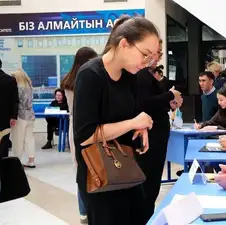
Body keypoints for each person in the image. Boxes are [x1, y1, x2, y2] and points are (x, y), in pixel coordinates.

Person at [73, 15, 159, 225]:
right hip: (101, 177)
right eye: (145, 54)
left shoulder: (130, 76)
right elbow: (85, 136)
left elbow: (130, 114)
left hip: (126, 170)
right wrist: (132, 123)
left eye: (152, 57)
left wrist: (140, 128)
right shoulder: (90, 75)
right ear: (124, 44)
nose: (148, 62)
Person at [134, 40, 183, 215]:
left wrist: (169, 103)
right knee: (148, 186)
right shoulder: (141, 75)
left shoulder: (146, 75)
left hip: (157, 138)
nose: (158, 58)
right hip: (151, 140)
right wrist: (170, 95)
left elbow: (153, 105)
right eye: (157, 53)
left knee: (152, 185)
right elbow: (144, 104)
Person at [61, 46, 98, 224]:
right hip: (87, 127)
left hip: (73, 127)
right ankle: (90, 209)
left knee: (80, 170)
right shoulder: (88, 80)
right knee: (93, 167)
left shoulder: (68, 82)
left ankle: (83, 211)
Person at [10, 69, 36, 168]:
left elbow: (16, 103)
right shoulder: (29, 87)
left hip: (20, 115)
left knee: (18, 139)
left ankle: (16, 162)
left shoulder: (17, 88)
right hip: (30, 114)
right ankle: (31, 160)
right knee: (30, 138)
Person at [0, 59, 18, 159]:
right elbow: (15, 100)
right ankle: (3, 166)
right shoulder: (10, 80)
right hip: (5, 116)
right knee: (4, 141)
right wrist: (13, 116)